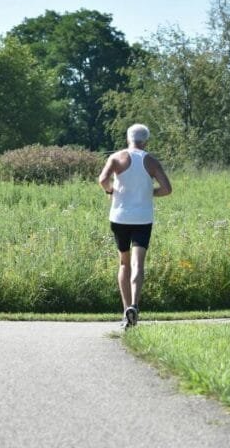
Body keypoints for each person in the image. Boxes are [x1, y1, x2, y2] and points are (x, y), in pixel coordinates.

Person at [98, 124, 172, 329]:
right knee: (138, 264)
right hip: (142, 218)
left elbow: (103, 179)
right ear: (145, 141)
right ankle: (134, 306)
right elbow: (167, 189)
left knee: (124, 263)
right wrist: (150, 193)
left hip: (120, 217)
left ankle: (125, 312)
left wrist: (111, 191)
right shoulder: (151, 160)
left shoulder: (116, 158)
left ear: (128, 138)